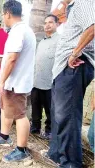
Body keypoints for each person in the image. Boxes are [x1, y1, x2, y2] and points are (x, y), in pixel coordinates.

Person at [47, 0, 94, 166]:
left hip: (75, 65)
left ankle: (71, 163)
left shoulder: (83, 2)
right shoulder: (72, 8)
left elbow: (93, 26)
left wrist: (75, 53)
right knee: (59, 114)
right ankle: (56, 154)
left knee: (68, 115)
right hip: (63, 69)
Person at [0, 0, 36, 162]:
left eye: (3, 14)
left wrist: (1, 81)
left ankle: (21, 149)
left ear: (8, 13)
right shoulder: (20, 30)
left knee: (20, 115)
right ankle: (4, 136)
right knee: (5, 108)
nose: (3, 17)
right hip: (13, 81)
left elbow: (11, 59)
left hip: (16, 82)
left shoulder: (19, 31)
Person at [30, 14, 59, 140]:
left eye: (51, 22)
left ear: (57, 24)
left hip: (51, 82)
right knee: (35, 107)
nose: (47, 25)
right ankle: (35, 127)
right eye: (45, 22)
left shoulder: (60, 40)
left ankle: (49, 131)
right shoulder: (41, 42)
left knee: (50, 109)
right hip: (36, 81)